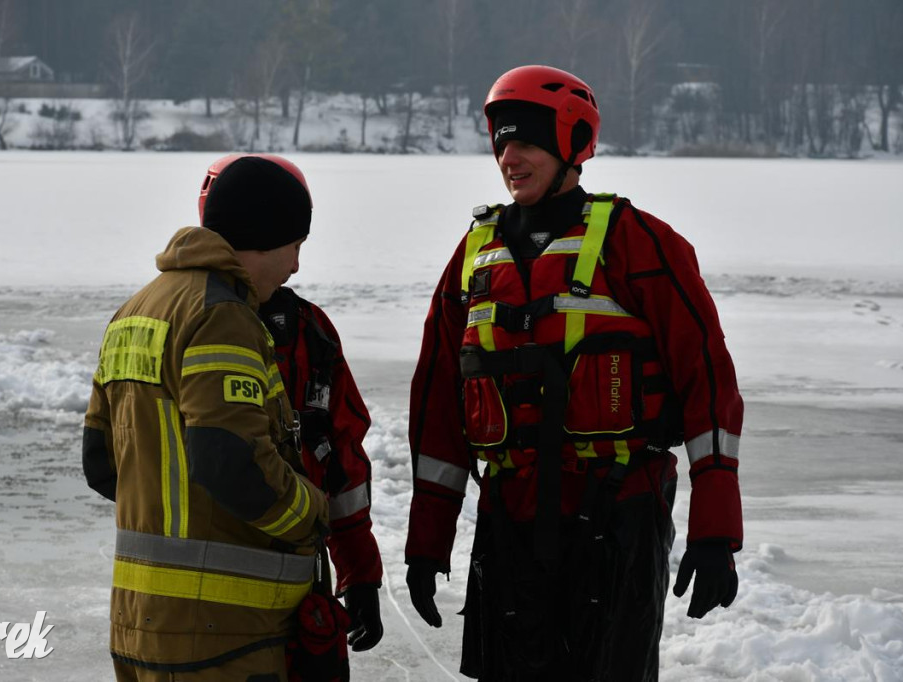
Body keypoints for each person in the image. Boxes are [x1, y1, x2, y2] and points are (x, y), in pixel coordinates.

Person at [404, 65, 744, 681]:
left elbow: (709, 382)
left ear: (573, 143)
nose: (509, 158)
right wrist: (427, 543)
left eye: (526, 143)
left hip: (619, 521)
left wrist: (715, 528)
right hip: (509, 525)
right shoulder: (474, 258)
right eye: (500, 145)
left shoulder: (641, 242)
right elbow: (438, 407)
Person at [83, 153, 330, 681]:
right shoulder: (221, 317)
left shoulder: (135, 310)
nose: (295, 266)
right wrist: (312, 515)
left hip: (139, 626)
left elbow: (101, 463)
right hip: (221, 636)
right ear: (265, 237)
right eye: (295, 246)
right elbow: (231, 463)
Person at [197, 156, 385, 656]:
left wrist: (359, 574)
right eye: (293, 245)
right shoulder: (196, 324)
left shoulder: (310, 334)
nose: (297, 264)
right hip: (205, 596)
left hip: (298, 595)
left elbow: (340, 455)